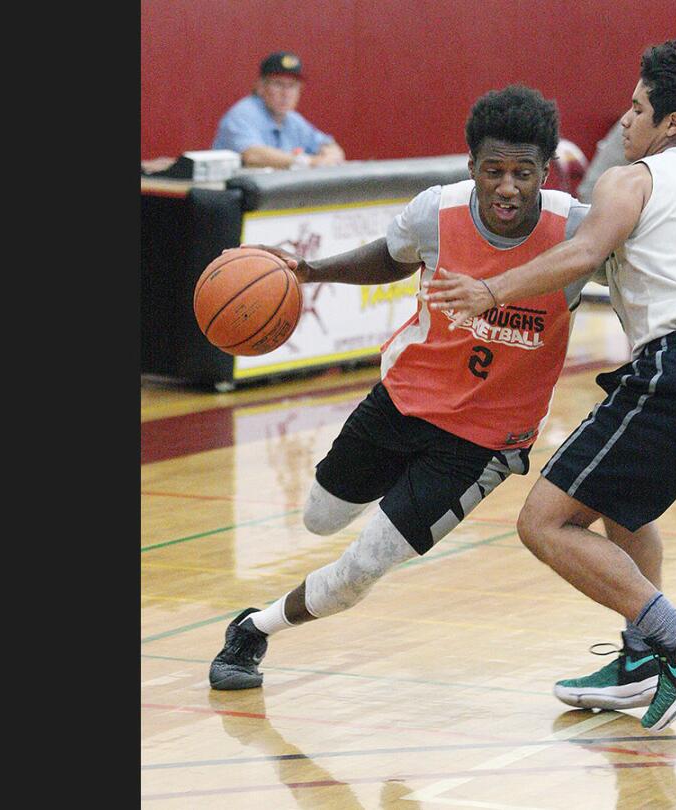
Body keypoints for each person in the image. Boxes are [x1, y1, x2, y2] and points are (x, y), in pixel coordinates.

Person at [424, 39, 676, 732]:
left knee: (544, 522)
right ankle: (643, 658)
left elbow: (583, 253)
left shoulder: (630, 178)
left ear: (669, 122)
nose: (625, 118)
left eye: (638, 106)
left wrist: (487, 289)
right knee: (626, 509)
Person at [208, 85, 602, 690]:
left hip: (484, 442)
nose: (507, 187)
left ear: (545, 173)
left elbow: (646, 287)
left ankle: (253, 630)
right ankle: (399, 485)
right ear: (471, 166)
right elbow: (390, 257)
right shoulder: (436, 212)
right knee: (318, 518)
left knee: (364, 565)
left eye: (523, 173)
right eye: (493, 171)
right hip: (403, 400)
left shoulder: (577, 233)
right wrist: (311, 272)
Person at [210, 51, 346, 170]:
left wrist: (330, 156)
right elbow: (253, 155)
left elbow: (328, 144)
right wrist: (307, 162)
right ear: (260, 87)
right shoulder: (243, 113)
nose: (286, 93)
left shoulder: (293, 120)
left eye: (292, 86)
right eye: (278, 84)